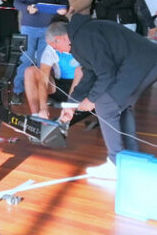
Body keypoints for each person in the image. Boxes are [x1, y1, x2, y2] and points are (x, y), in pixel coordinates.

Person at [51, 17, 157, 179]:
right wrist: (71, 104)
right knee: (122, 106)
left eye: (55, 46)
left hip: (141, 63)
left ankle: (115, 164)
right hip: (147, 60)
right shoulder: (82, 35)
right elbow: (90, 73)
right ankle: (130, 157)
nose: (58, 51)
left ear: (62, 38)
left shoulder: (83, 37)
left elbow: (106, 74)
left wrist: (91, 100)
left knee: (105, 106)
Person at [11, 0, 68, 105]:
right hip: (29, 25)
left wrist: (63, 9)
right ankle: (17, 90)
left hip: (48, 27)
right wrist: (27, 8)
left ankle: (43, 91)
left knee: (44, 61)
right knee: (26, 59)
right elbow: (17, 3)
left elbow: (64, 2)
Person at [24, 17, 82, 119]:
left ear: (60, 38)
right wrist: (43, 108)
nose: (54, 48)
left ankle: (70, 108)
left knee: (80, 70)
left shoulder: (82, 43)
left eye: (54, 45)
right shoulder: (50, 48)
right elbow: (43, 80)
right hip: (60, 87)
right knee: (30, 71)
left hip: (81, 88)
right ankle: (36, 116)